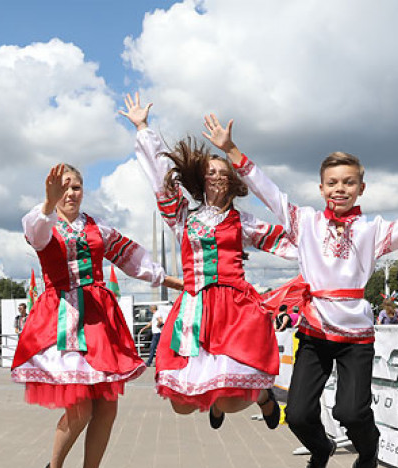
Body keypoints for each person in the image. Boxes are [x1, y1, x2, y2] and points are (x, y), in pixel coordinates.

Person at [207, 113, 398, 468]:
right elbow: (270, 193)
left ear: (361, 187)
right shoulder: (304, 222)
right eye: (332, 183)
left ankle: (368, 446)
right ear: (321, 187)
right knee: (297, 414)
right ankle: (321, 449)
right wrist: (231, 150)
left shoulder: (373, 231)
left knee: (350, 411)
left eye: (348, 182)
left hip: (356, 335)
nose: (339, 189)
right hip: (314, 330)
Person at [12, 161, 181, 468]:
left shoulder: (98, 228)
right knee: (81, 409)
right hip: (62, 320)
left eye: (76, 186)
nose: (71, 192)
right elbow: (36, 233)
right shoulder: (43, 222)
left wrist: (173, 280)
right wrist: (47, 202)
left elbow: (134, 260)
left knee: (107, 407)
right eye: (64, 186)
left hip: (99, 320)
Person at [122, 93, 291, 430]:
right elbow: (160, 177)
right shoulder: (183, 217)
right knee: (181, 406)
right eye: (209, 172)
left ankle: (263, 397)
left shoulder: (244, 221)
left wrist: (332, 247)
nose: (215, 176)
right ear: (200, 179)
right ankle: (215, 397)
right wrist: (143, 128)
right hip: (194, 307)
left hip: (234, 308)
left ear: (231, 180)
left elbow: (287, 241)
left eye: (221, 172)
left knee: (231, 398)